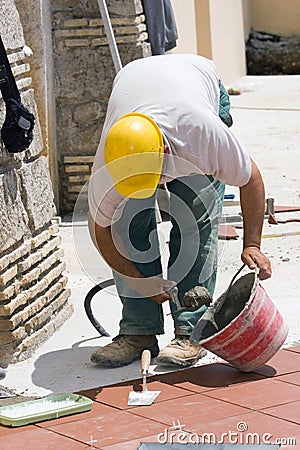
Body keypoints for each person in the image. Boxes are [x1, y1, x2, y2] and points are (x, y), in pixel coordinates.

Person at [88, 53, 272, 368]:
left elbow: (251, 179)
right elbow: (102, 231)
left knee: (194, 221)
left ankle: (191, 331)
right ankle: (138, 331)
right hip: (137, 88)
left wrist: (252, 243)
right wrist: (138, 281)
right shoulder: (111, 161)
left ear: (165, 151)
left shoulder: (201, 136)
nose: (158, 185)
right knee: (126, 227)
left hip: (197, 87)